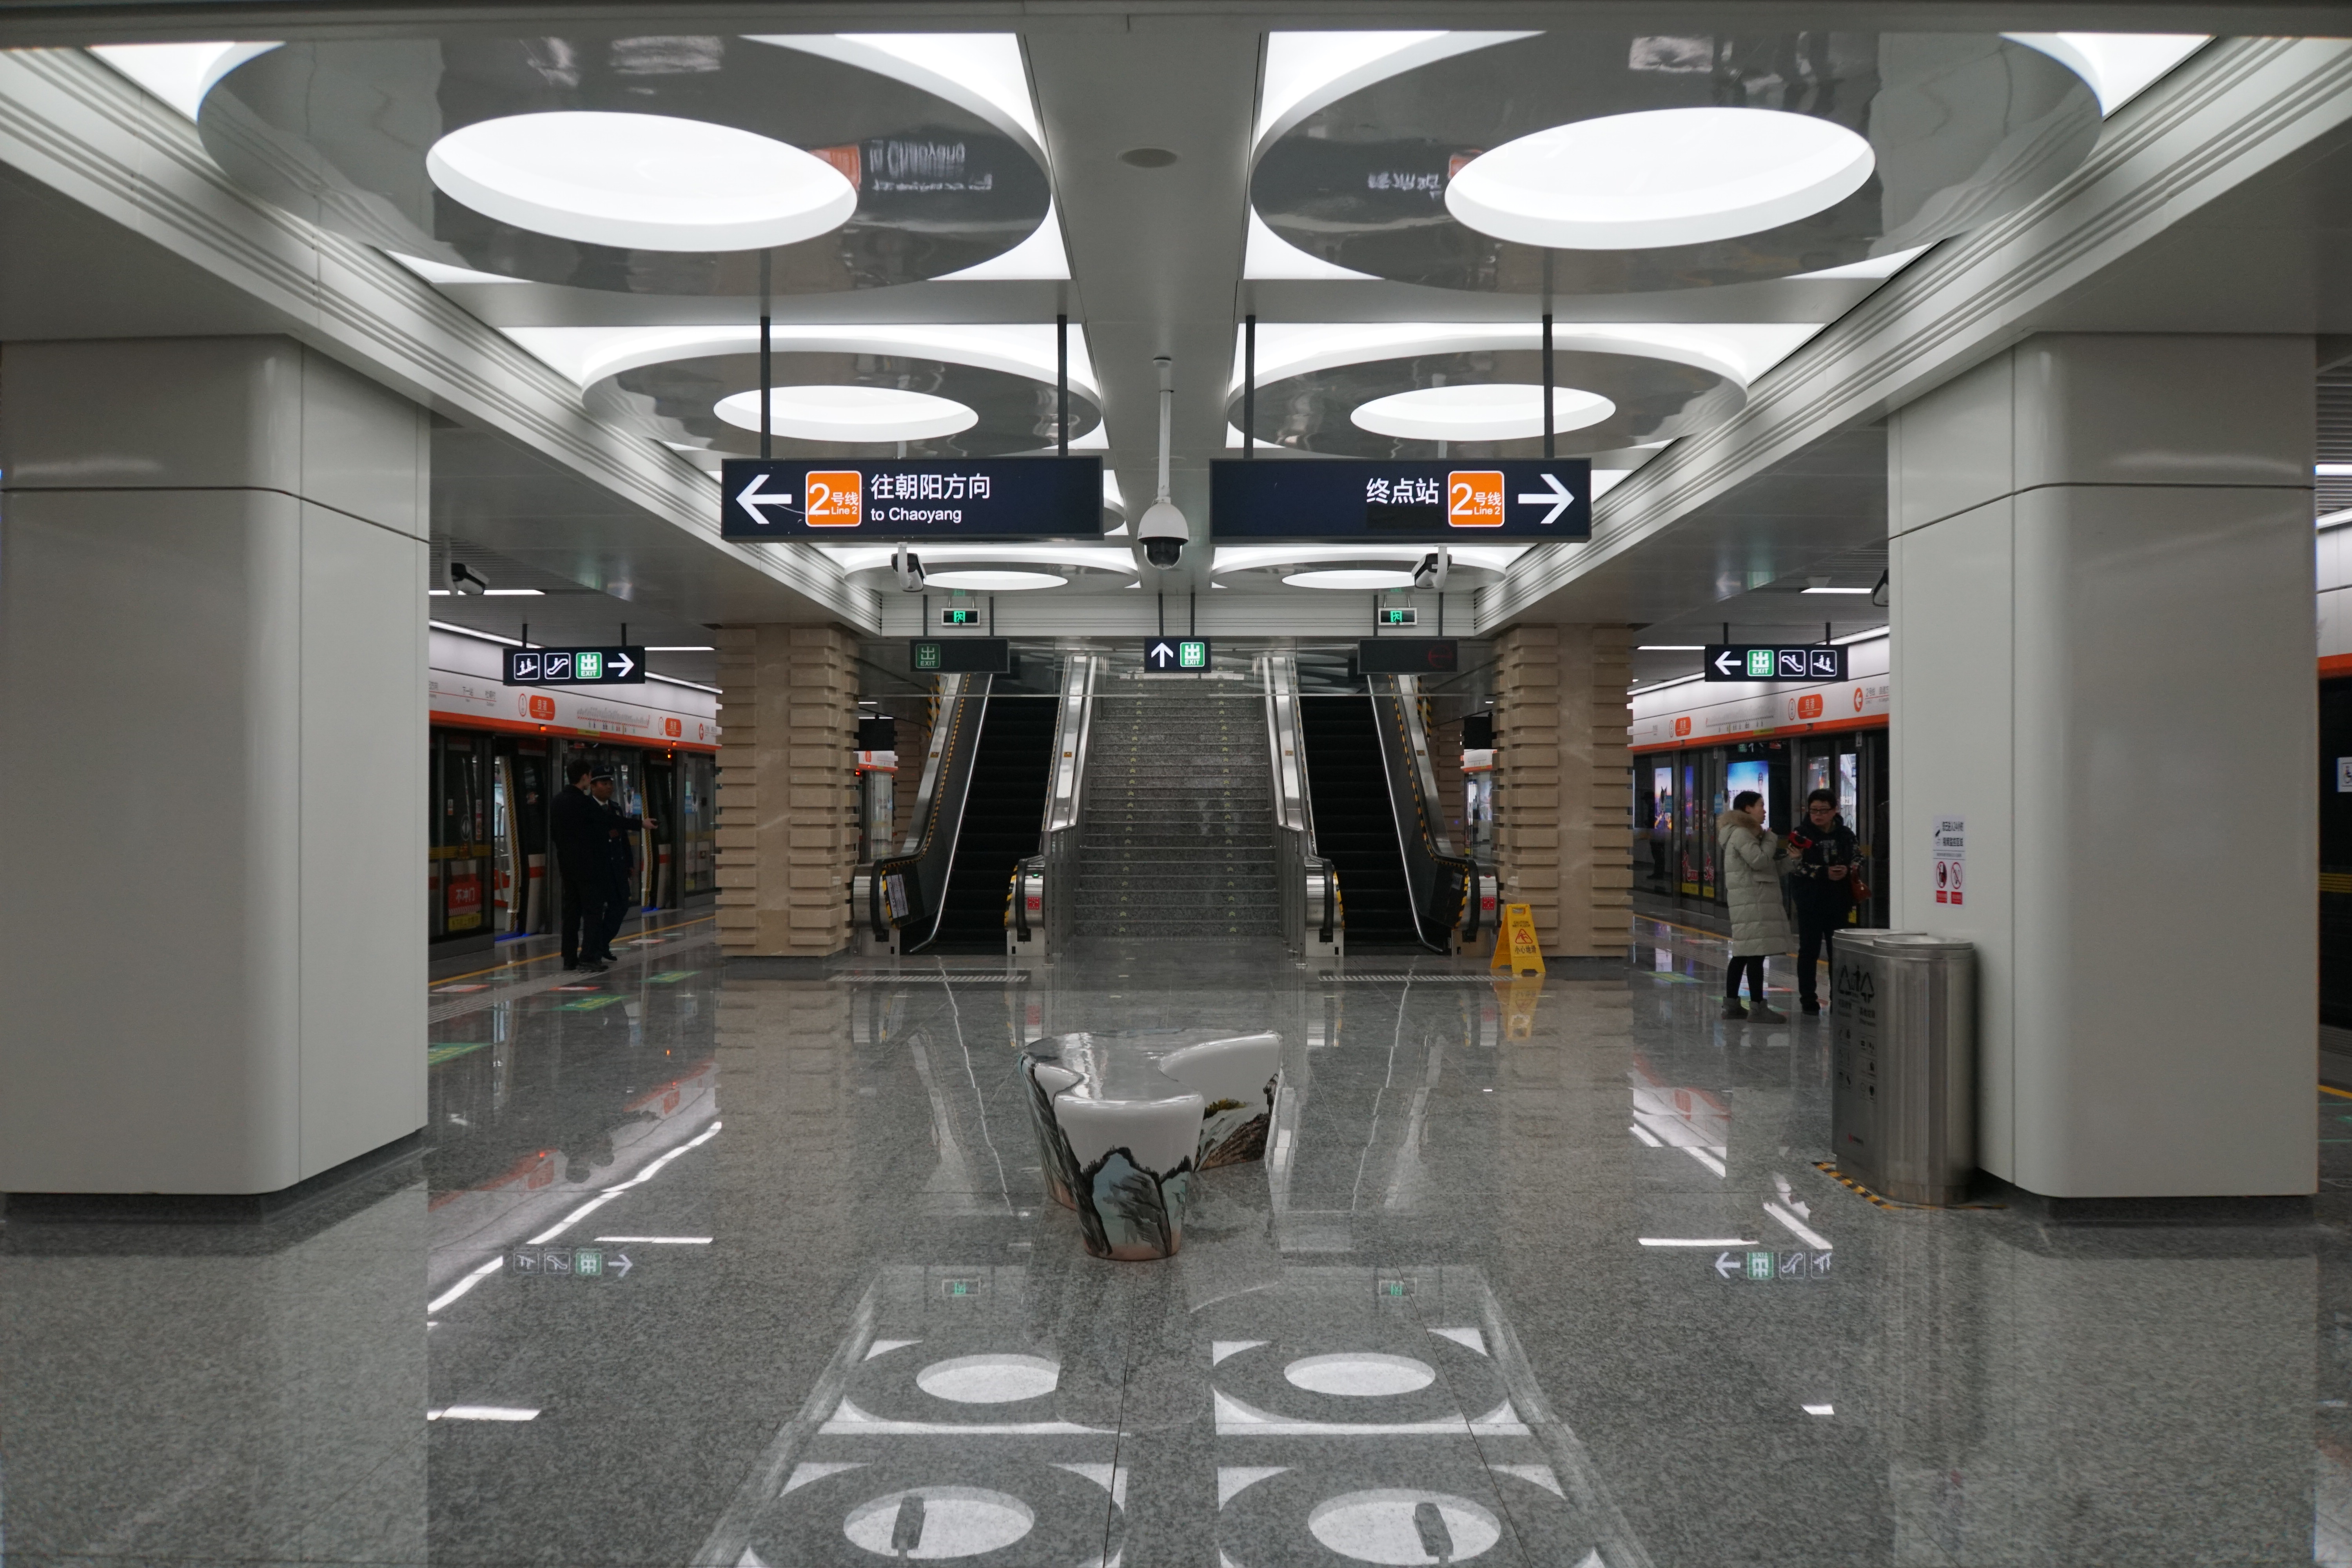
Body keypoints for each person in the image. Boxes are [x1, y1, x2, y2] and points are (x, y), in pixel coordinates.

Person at [1717, 790, 1793, 1022]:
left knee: (1743, 954)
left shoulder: (1744, 834)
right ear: (1748, 808)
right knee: (1755, 955)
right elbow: (1760, 861)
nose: (1765, 811)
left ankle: (1732, 1006)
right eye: (1761, 805)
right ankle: (1758, 1008)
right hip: (1753, 902)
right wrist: (1771, 839)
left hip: (1752, 899)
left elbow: (1768, 869)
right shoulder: (1741, 833)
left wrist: (1792, 860)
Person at [1784, 787, 1858, 1016]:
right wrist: (1824, 873)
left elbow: (1858, 857)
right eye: (1814, 810)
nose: (1818, 815)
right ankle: (1808, 999)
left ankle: (1840, 998)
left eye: (1823, 811)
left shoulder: (1846, 834)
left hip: (1839, 900)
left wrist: (1848, 869)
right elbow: (1794, 866)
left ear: (1835, 810)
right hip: (1810, 901)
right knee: (1809, 951)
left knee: (1839, 952)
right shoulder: (1800, 835)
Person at [550, 761, 613, 972]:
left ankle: (569, 958)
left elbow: (554, 833)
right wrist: (640, 824)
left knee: (572, 913)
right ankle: (588, 957)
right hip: (589, 868)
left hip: (568, 867)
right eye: (590, 777)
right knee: (593, 913)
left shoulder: (557, 801)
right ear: (585, 777)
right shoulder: (585, 803)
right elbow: (608, 821)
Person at [586, 771, 648, 967]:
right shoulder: (587, 807)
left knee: (621, 906)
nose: (609, 787)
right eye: (604, 784)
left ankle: (602, 943)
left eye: (610, 784)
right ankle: (595, 951)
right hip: (598, 869)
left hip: (617, 867)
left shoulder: (615, 808)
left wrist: (629, 864)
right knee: (596, 912)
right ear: (593, 786)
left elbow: (623, 840)